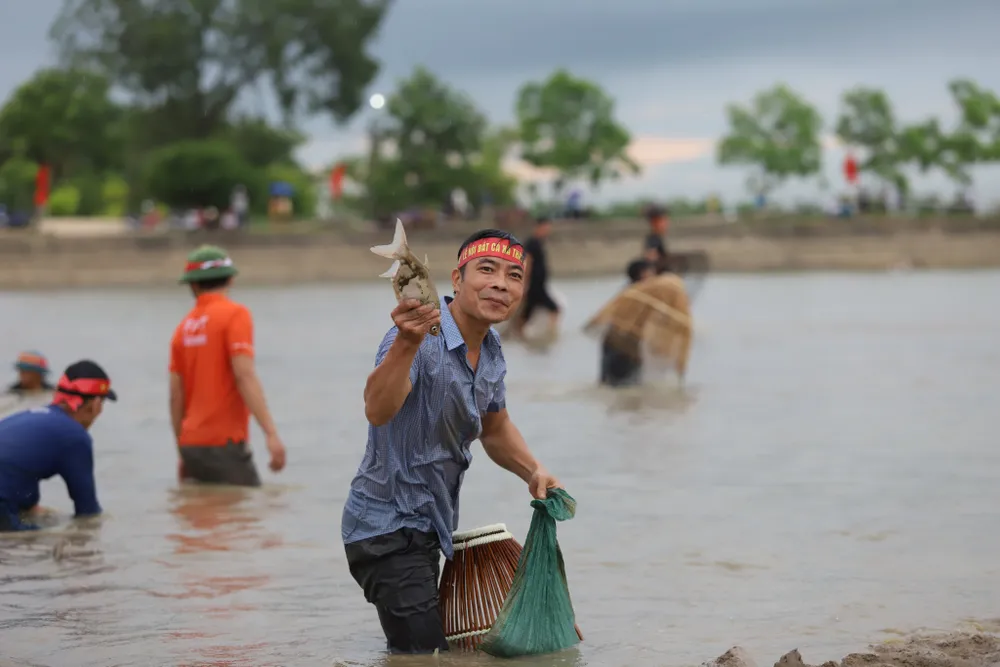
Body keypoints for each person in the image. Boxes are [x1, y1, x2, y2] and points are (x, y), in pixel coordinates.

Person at [342, 228, 564, 655]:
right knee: (424, 655)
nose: (501, 282)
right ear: (457, 280)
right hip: (384, 526)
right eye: (487, 269)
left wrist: (533, 471)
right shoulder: (415, 337)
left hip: (430, 529)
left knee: (421, 653)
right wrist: (407, 341)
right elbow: (377, 410)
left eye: (514, 275)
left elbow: (494, 428)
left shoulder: (494, 348)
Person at [169, 245, 287, 487]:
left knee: (210, 517)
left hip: (191, 444)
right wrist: (271, 434)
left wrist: (182, 448)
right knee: (248, 518)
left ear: (193, 285)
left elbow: (175, 395)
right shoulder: (235, 314)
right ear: (231, 278)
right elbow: (244, 376)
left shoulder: (183, 328)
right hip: (224, 443)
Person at [0, 360, 116, 531]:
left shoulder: (33, 416)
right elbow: (87, 511)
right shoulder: (75, 437)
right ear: (96, 404)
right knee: (44, 547)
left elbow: (16, 472)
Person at [600, 259, 656, 387]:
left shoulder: (628, 292)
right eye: (651, 273)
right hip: (622, 347)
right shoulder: (637, 295)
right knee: (626, 386)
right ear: (643, 274)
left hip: (614, 344)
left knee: (612, 385)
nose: (654, 277)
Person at [513, 216, 560, 337]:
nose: (547, 231)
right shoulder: (532, 242)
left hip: (539, 285)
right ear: (539, 227)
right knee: (554, 309)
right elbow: (527, 262)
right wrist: (524, 283)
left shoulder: (539, 242)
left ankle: (518, 335)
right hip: (535, 285)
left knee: (526, 313)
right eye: (546, 228)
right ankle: (551, 334)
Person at [642, 205, 671, 274]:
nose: (666, 223)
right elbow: (650, 260)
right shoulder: (653, 240)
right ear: (654, 222)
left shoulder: (657, 238)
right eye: (663, 220)